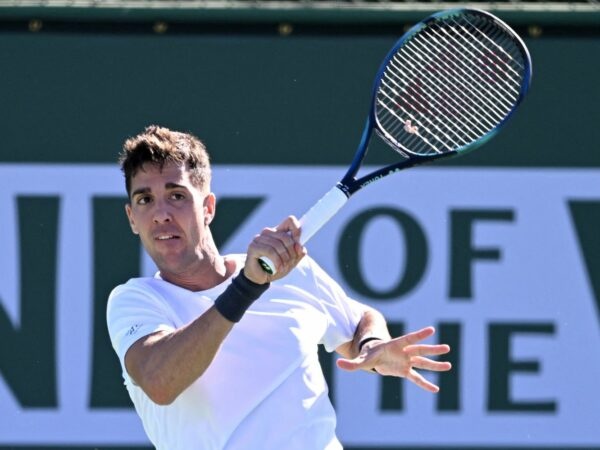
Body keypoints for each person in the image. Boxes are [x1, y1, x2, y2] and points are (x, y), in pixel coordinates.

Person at [106, 125, 451, 450]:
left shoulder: (291, 273)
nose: (161, 213)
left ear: (208, 207)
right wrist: (248, 286)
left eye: (177, 195)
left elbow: (359, 319)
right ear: (131, 218)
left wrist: (371, 343)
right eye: (144, 200)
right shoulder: (135, 302)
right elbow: (160, 381)